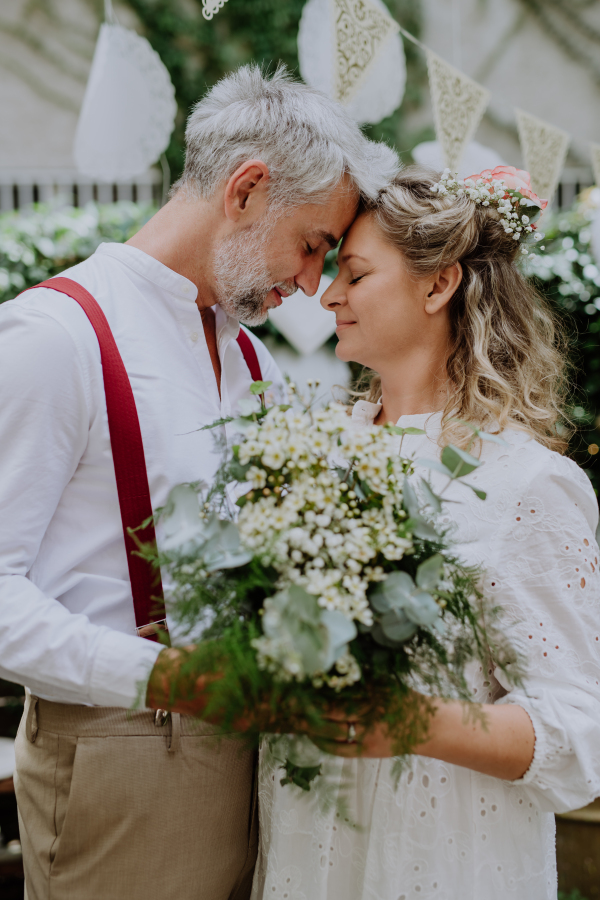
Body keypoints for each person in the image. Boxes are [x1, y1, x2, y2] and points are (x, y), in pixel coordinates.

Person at [0, 65, 398, 900]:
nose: (309, 281)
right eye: (314, 243)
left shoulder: (249, 353)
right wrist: (159, 679)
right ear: (247, 189)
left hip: (257, 759)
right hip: (118, 755)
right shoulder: (54, 337)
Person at [251, 166, 600, 900]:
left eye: (356, 273)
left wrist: (412, 722)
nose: (329, 294)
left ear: (437, 287)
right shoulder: (314, 455)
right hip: (306, 835)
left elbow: (577, 739)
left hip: (444, 857)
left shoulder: (528, 486)